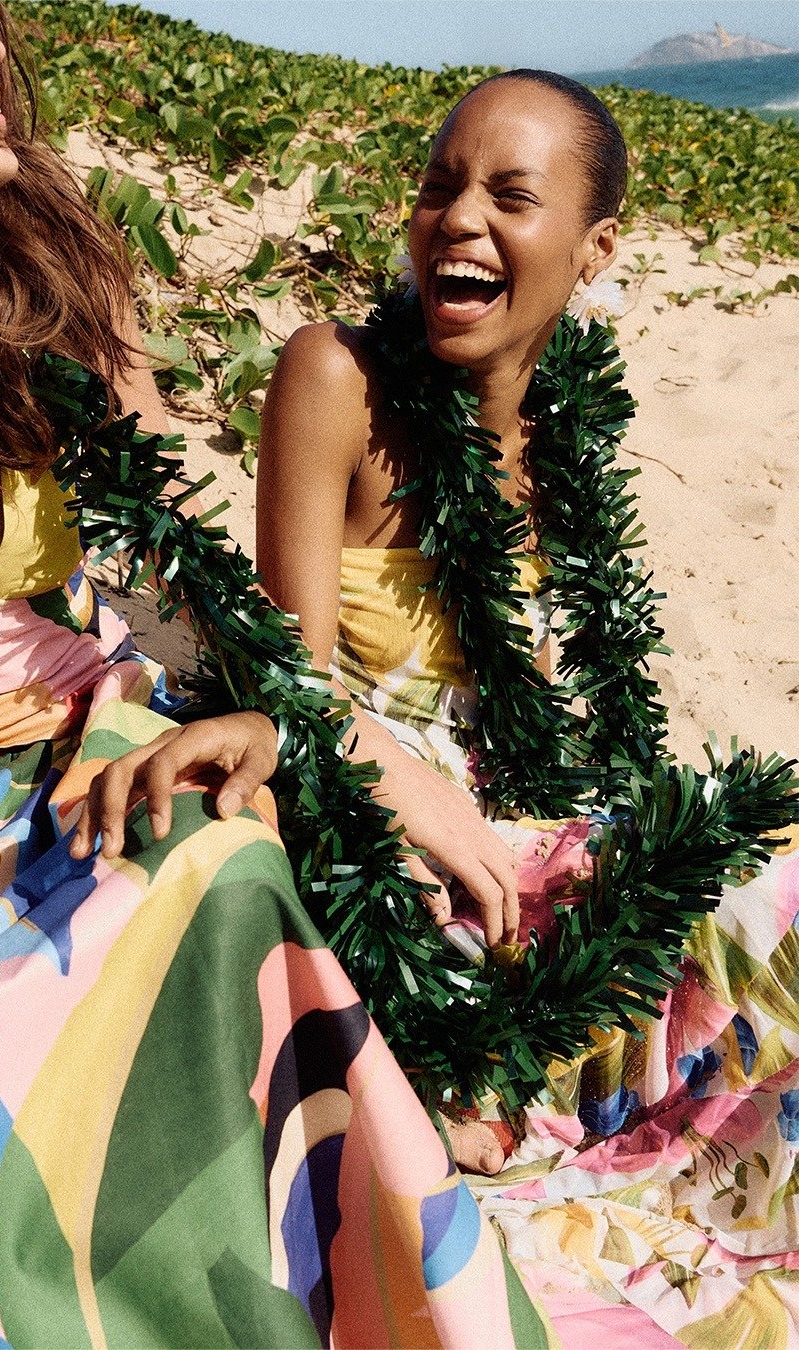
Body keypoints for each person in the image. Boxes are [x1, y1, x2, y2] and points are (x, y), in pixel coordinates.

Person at [0, 6, 552, 1345]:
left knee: (213, 862)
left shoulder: (38, 275)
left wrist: (356, 749)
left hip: (99, 739)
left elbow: (196, 568)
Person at [257, 70, 799, 1343]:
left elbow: (578, 708)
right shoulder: (338, 377)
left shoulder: (567, 424)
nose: (459, 217)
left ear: (594, 250)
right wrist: (403, 778)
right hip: (397, 855)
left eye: (510, 196)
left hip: (546, 832)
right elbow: (279, 673)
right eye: (441, 184)